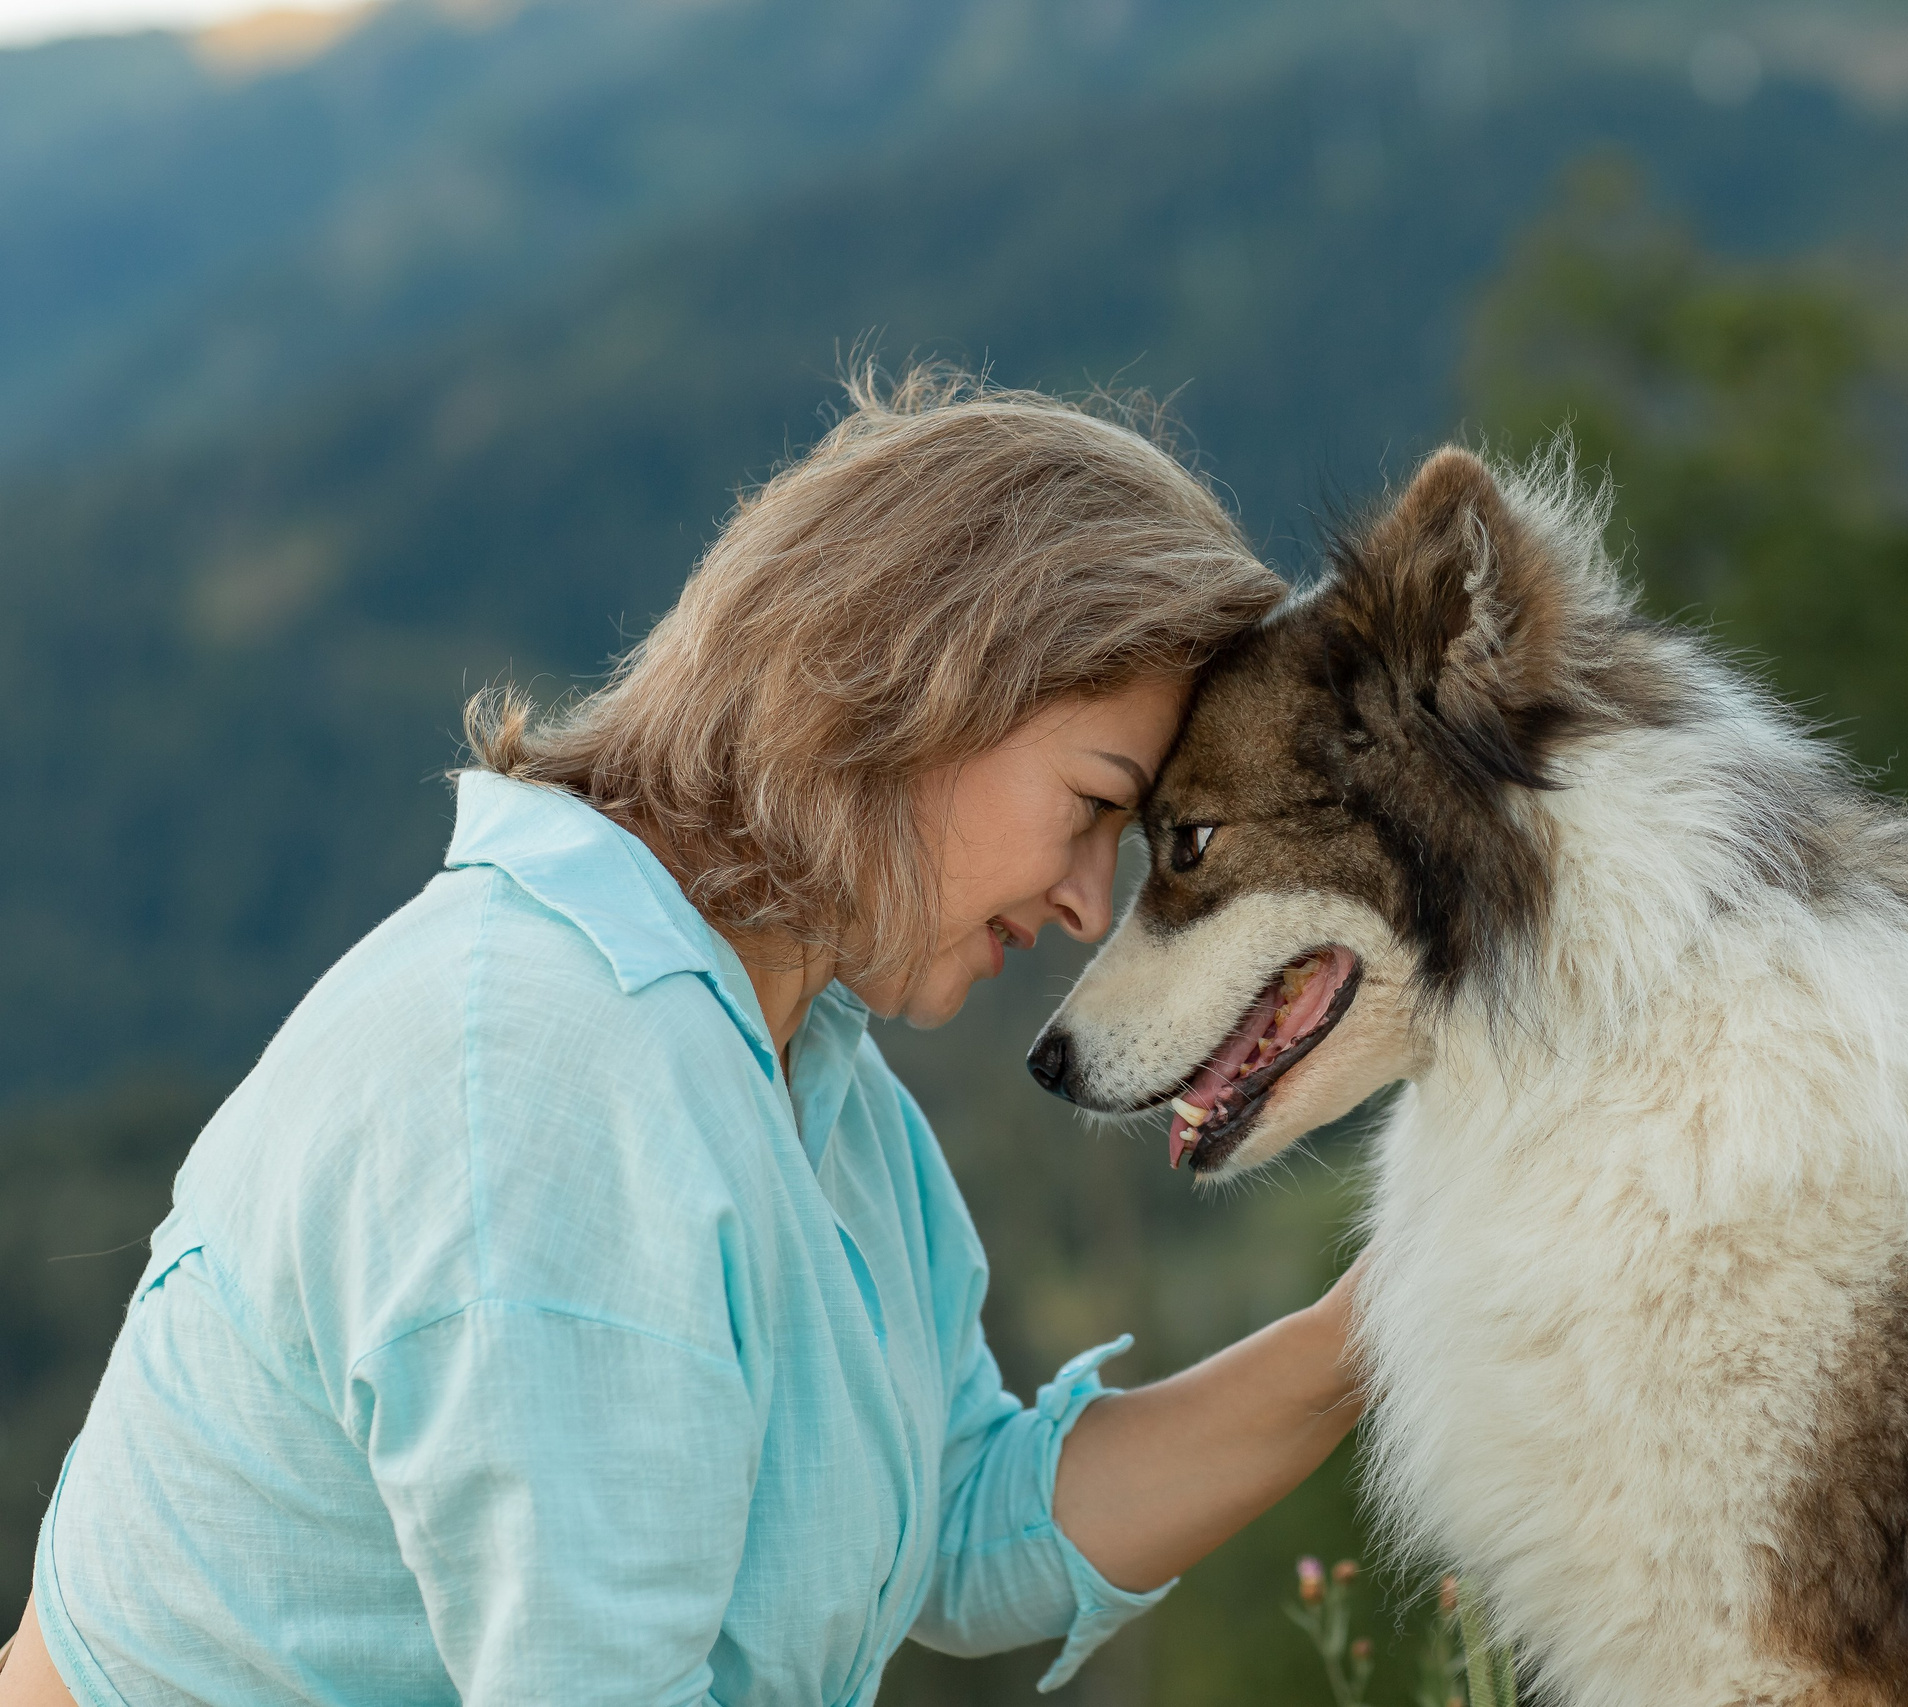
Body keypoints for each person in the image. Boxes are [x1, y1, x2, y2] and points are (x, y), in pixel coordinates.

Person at [0, 372, 1364, 1707]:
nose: (1084, 907)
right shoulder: (550, 1076)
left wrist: (1394, 1324)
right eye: (1091, 807)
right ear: (918, 680)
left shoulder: (802, 1073)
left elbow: (956, 1527)